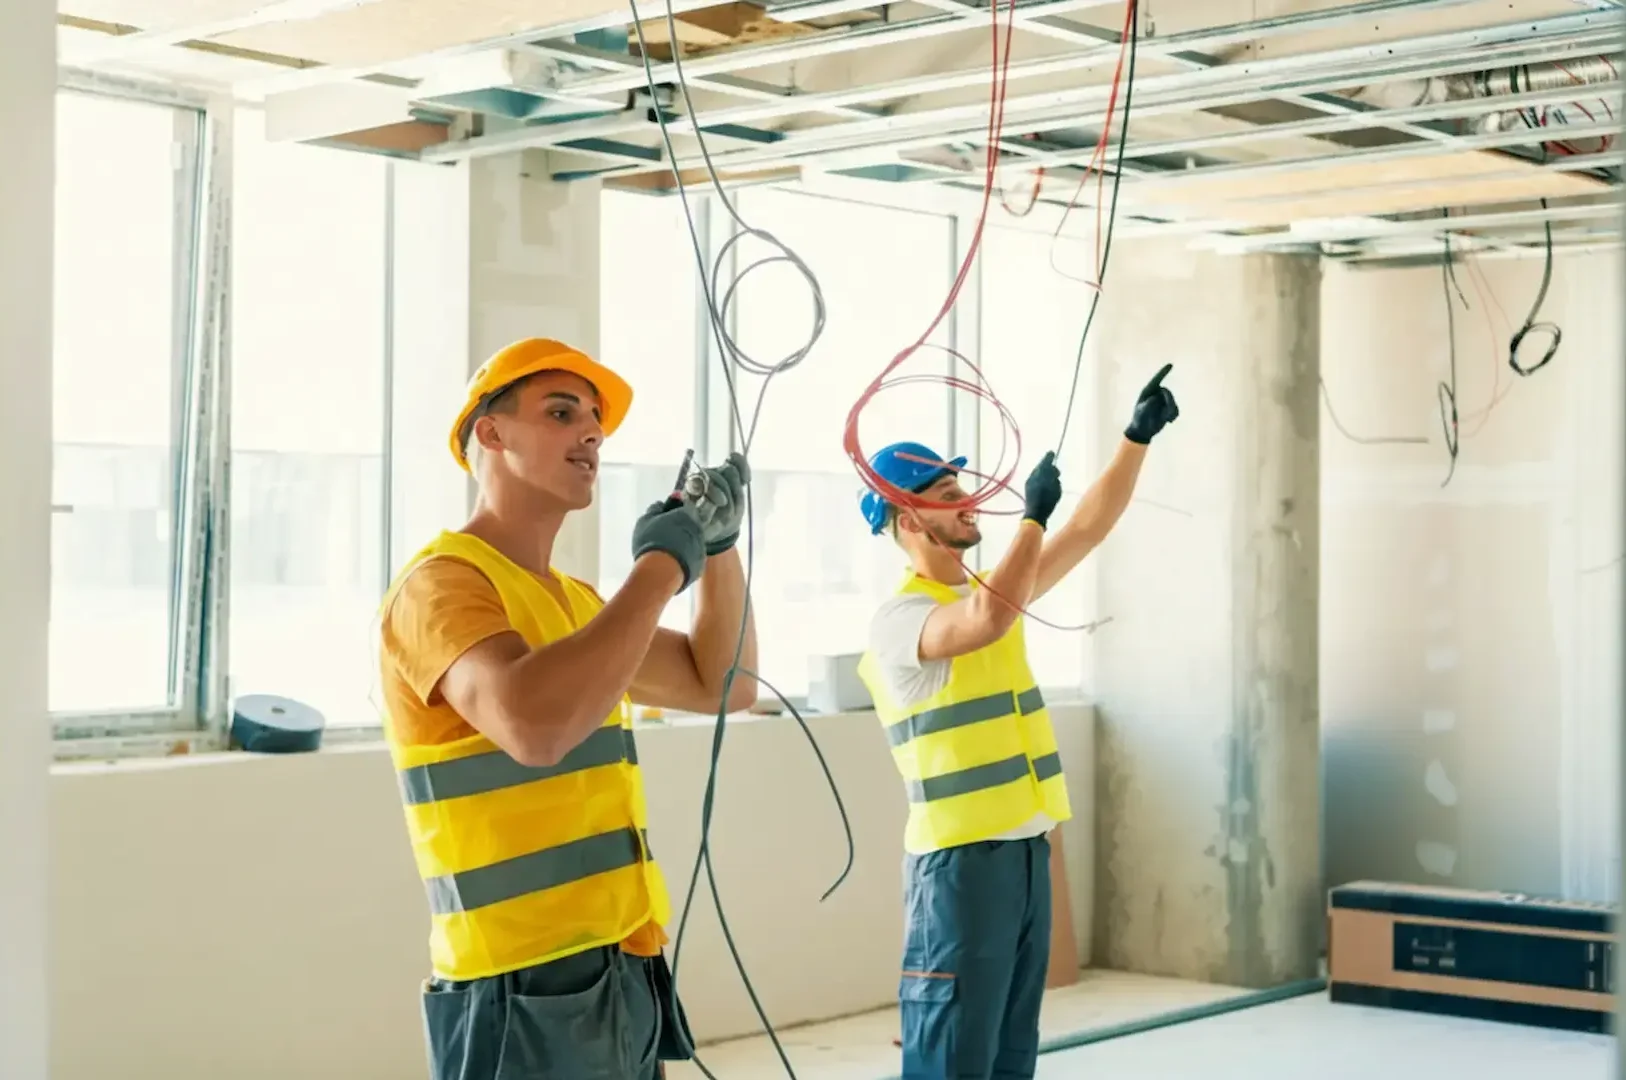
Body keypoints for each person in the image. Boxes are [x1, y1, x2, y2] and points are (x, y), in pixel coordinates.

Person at [376, 337, 758, 1080]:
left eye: (595, 421)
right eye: (560, 412)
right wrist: (661, 565)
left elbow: (726, 685)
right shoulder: (439, 587)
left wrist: (718, 548)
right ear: (490, 432)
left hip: (622, 965)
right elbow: (535, 727)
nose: (590, 431)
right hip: (515, 986)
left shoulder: (579, 605)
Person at [856, 364, 1180, 1080]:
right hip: (961, 868)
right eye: (948, 495)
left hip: (1026, 852)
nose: (969, 501)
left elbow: (1089, 526)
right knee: (953, 1060)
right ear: (909, 520)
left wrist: (1135, 438)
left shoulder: (982, 589)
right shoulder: (901, 619)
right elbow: (986, 619)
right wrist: (1031, 518)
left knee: (1009, 1058)